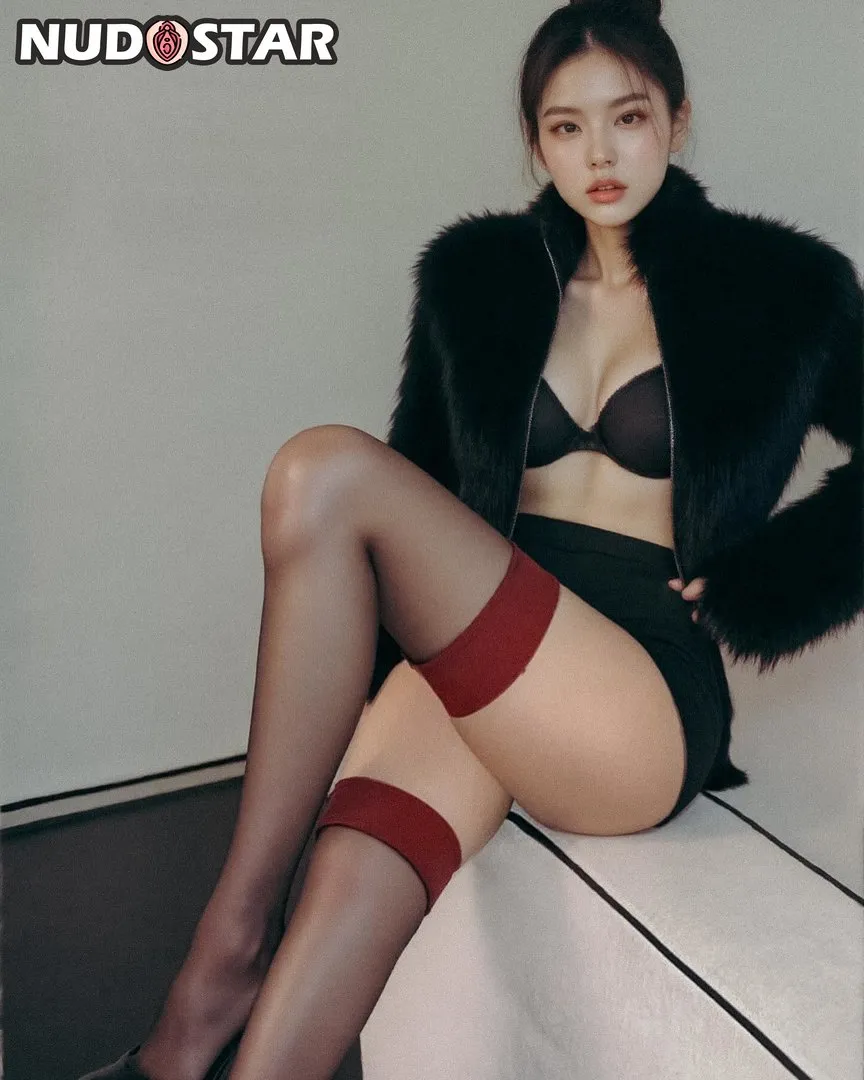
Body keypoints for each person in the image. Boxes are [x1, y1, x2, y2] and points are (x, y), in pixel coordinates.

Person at [79, 1, 863, 1077]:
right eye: (566, 127)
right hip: (492, 656)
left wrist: (761, 584)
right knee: (340, 903)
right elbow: (424, 496)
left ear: (678, 121)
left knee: (323, 473)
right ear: (535, 141)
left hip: (634, 699)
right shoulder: (477, 278)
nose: (599, 154)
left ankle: (222, 950)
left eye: (628, 118)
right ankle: (200, 1035)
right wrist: (377, 696)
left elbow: (368, 499)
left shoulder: (785, 289)